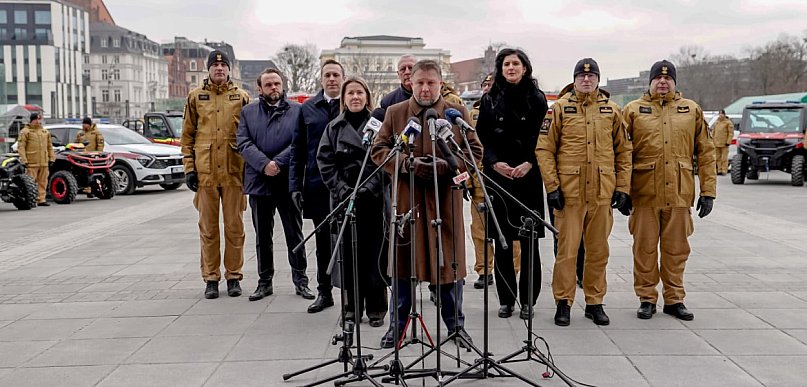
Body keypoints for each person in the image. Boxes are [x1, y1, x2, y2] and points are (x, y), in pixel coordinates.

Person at [371, 59, 483, 348]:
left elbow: (475, 151)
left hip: (445, 203)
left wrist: (450, 165)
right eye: (419, 82)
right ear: (411, 83)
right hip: (408, 204)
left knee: (449, 268)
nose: (424, 88)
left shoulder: (456, 114)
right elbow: (379, 150)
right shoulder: (395, 113)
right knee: (403, 267)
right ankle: (397, 327)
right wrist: (406, 164)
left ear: (440, 83)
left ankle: (455, 326)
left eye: (430, 83)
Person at [536, 58, 633, 326]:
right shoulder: (559, 110)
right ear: (575, 79)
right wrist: (552, 186)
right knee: (567, 252)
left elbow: (624, 152)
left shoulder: (612, 111)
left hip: (602, 194)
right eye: (581, 76)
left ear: (598, 80)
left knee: (598, 251)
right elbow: (544, 150)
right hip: (569, 195)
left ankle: (594, 302)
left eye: (591, 77)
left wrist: (623, 187)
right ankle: (563, 302)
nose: (586, 80)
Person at [623, 60, 716, 321]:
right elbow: (620, 154)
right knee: (645, 249)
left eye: (668, 79)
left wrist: (708, 191)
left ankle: (675, 299)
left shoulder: (691, 110)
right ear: (650, 82)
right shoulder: (632, 111)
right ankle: (647, 298)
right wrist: (621, 190)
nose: (662, 83)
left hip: (679, 193)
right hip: (644, 194)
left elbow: (706, 154)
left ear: (675, 82)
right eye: (657, 79)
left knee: (677, 250)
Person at [475, 48, 547, 320]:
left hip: (527, 175)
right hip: (499, 177)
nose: (511, 68)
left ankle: (529, 301)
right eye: (507, 64)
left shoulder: (537, 99)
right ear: (500, 69)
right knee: (502, 241)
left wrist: (530, 162)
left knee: (529, 242)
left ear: (525, 68)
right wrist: (494, 163)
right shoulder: (490, 98)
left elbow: (542, 137)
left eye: (516, 63)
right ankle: (506, 300)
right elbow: (482, 137)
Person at [317, 76, 390, 327]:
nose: (355, 97)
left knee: (374, 254)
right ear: (344, 98)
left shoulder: (379, 125)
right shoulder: (334, 128)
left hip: (373, 198)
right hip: (343, 199)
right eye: (350, 93)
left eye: (360, 93)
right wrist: (342, 189)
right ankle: (350, 308)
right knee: (347, 256)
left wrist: (367, 188)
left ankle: (377, 308)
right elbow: (324, 162)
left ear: (367, 96)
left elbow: (384, 160)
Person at [181, 50, 250, 299]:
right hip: (205, 173)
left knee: (234, 228)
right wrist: (189, 168)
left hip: (234, 172)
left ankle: (234, 276)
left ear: (229, 70)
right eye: (215, 65)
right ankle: (211, 278)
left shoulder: (241, 97)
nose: (219, 69)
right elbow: (187, 136)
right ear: (208, 70)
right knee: (208, 229)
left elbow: (249, 136)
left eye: (223, 65)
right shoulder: (195, 97)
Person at [237, 68, 308, 302]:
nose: (274, 88)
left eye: (277, 83)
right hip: (259, 182)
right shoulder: (247, 112)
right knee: (262, 237)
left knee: (294, 234)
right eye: (268, 85)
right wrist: (264, 164)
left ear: (282, 84)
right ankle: (264, 282)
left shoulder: (297, 111)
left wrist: (277, 162)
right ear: (260, 88)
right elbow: (243, 142)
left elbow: (300, 142)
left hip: (287, 182)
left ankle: (301, 281)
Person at [290, 59, 345, 310]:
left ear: (342, 78)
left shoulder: (352, 103)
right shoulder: (308, 109)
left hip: (348, 186)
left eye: (336, 75)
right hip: (317, 185)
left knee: (352, 241)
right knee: (322, 243)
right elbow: (298, 149)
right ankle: (325, 292)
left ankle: (356, 297)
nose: (332, 79)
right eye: (327, 75)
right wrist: (295, 185)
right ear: (321, 80)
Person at [468, 73, 522, 289]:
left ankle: (513, 270)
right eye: (485, 84)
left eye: (493, 84)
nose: (488, 88)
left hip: (505, 183)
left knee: (511, 231)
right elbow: (465, 151)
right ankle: (484, 270)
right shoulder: (471, 115)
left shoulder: (512, 111)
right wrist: (468, 181)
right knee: (480, 231)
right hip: (480, 182)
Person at [17, 112, 54, 207]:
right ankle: (31, 200)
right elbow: (21, 147)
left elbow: (50, 146)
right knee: (30, 183)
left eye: (39, 119)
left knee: (43, 181)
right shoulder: (25, 131)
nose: (38, 121)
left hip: (44, 162)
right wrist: (24, 160)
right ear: (32, 120)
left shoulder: (45, 132)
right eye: (36, 119)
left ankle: (41, 199)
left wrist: (52, 158)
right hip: (31, 162)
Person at [712, 110, 733, 175]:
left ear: (724, 114)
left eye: (722, 114)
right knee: (717, 158)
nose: (720, 115)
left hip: (724, 143)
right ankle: (719, 170)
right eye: (719, 114)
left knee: (724, 158)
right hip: (716, 143)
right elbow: (713, 132)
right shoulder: (716, 122)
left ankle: (724, 170)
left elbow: (730, 133)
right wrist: (712, 141)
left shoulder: (728, 122)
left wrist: (728, 141)